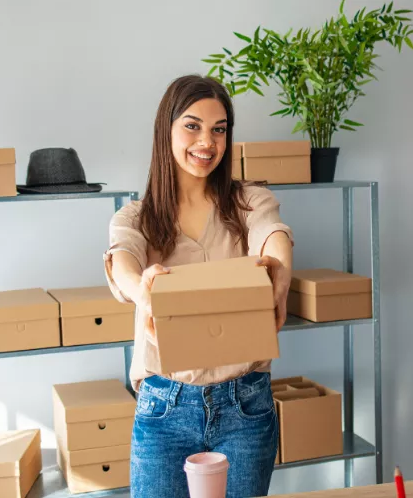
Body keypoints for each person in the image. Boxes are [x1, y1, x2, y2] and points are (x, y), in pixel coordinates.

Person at [103, 74, 294, 497]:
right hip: (164, 407)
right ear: (165, 130)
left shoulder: (249, 201)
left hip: (245, 405)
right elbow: (123, 259)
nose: (206, 142)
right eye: (192, 126)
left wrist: (280, 276)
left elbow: (273, 233)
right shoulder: (135, 217)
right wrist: (143, 291)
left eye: (218, 129)